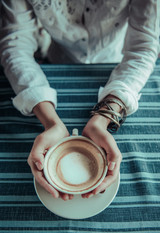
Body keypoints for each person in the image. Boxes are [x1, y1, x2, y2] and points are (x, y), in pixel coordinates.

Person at [0, 0, 159, 201]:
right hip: (55, 62)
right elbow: (15, 45)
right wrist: (51, 123)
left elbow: (143, 47)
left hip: (117, 66)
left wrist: (103, 119)